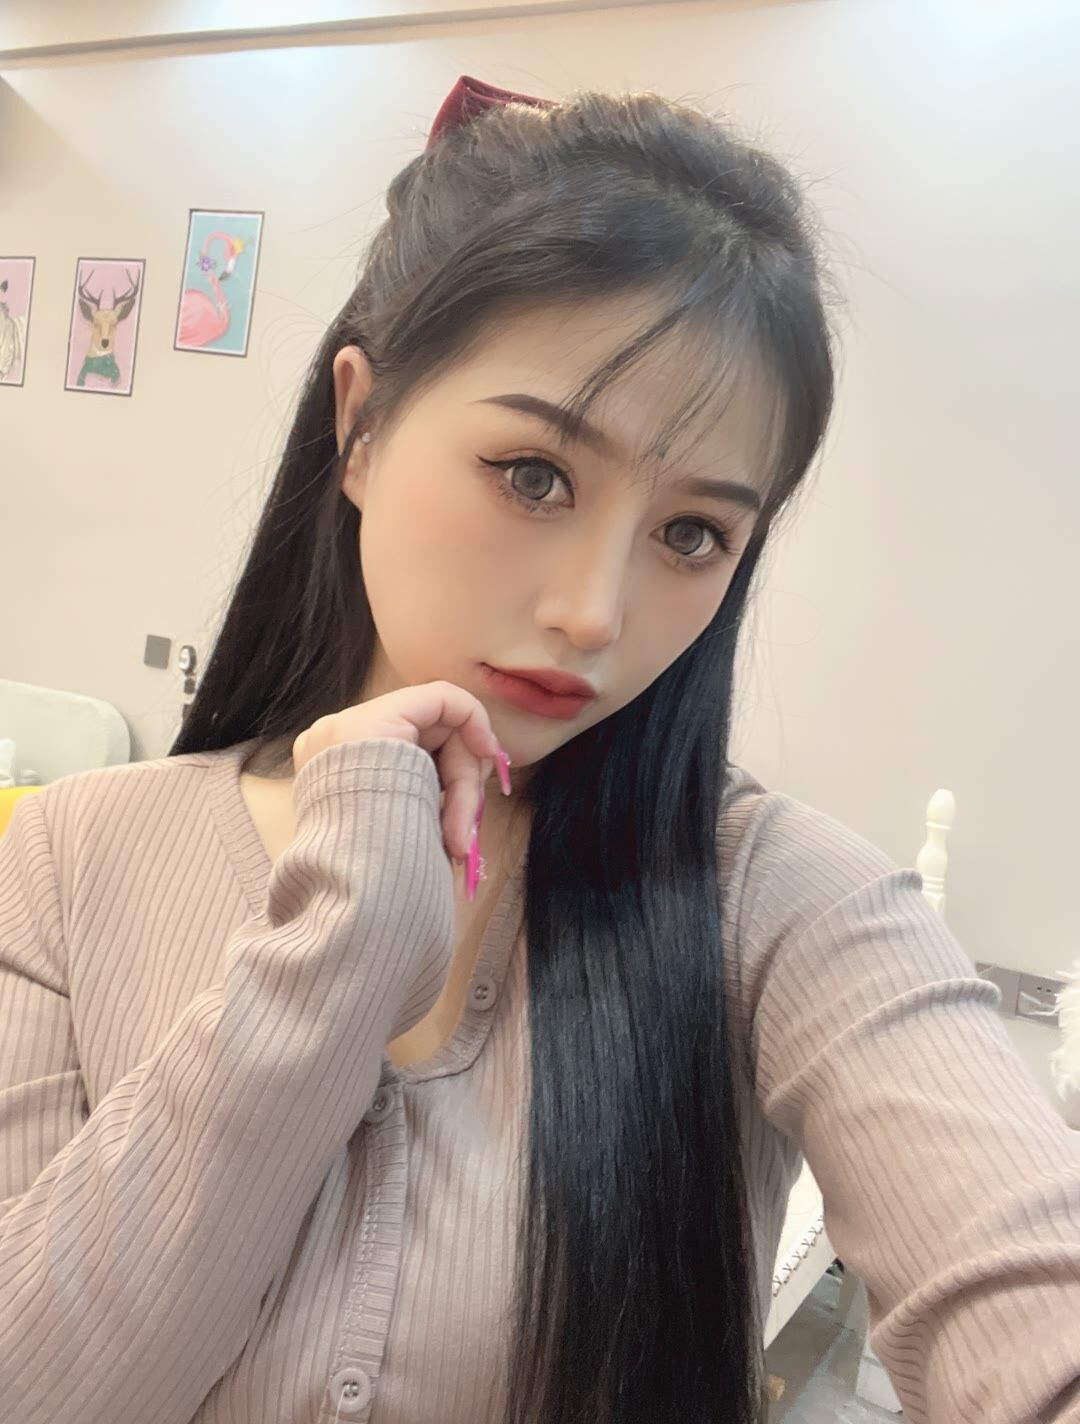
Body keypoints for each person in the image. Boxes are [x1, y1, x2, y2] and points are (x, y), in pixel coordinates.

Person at [0, 75, 1077, 1424]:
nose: (595, 614)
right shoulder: (70, 858)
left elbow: (1026, 1294)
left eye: (692, 534)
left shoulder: (778, 902)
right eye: (535, 475)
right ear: (360, 424)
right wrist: (337, 951)